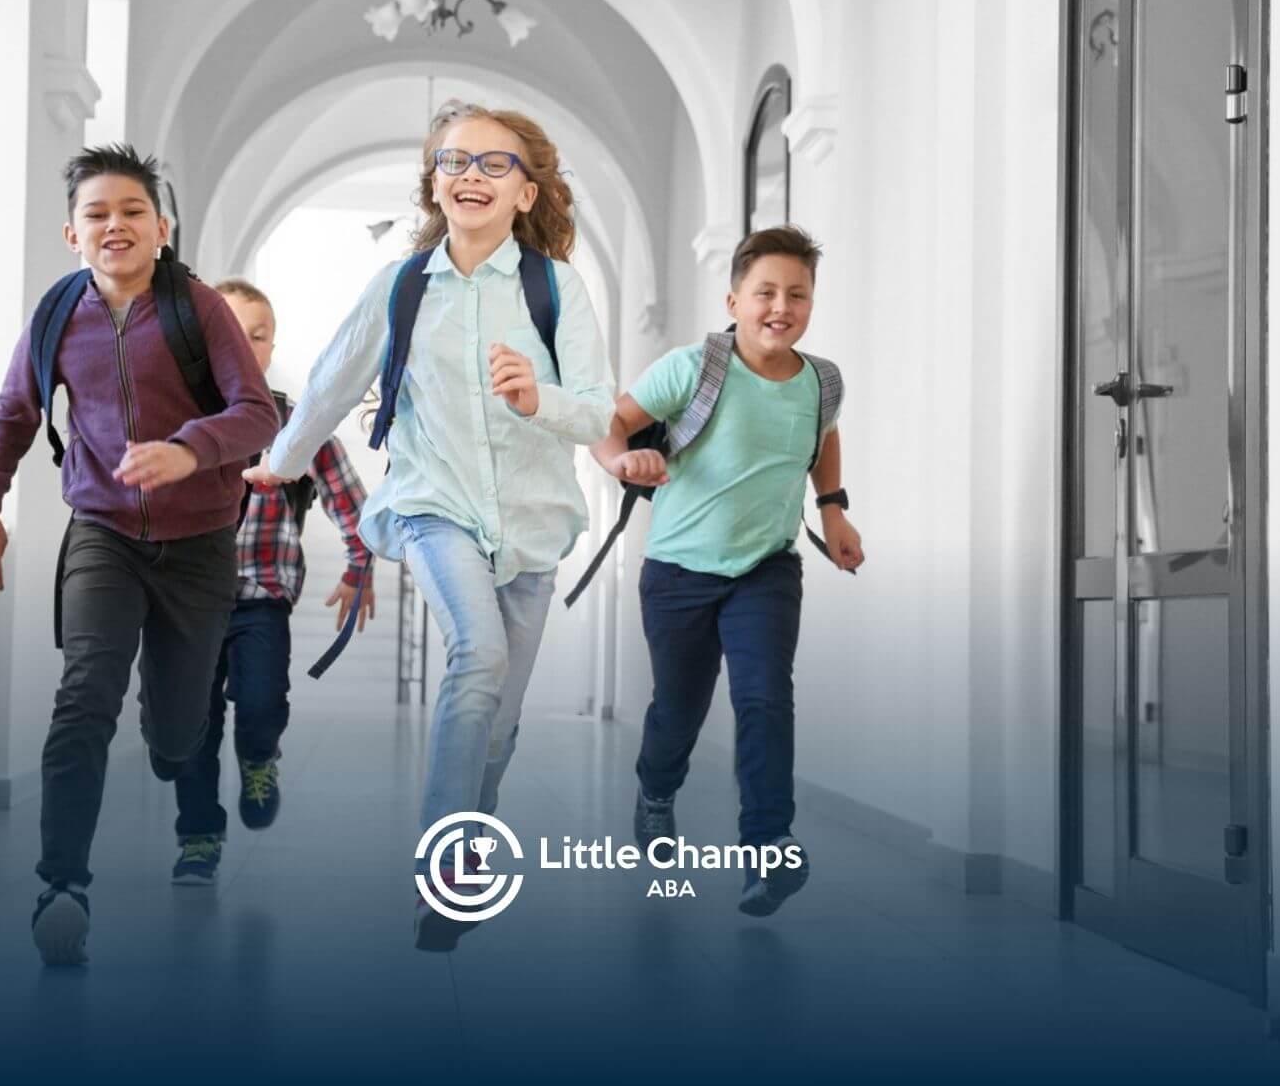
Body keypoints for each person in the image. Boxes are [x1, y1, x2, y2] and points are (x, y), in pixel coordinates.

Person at [246, 101, 613, 951]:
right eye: (454, 160)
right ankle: (446, 872)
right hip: (431, 504)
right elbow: (337, 377)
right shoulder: (402, 284)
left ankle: (472, 836)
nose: (471, 175)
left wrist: (538, 395)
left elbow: (595, 413)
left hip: (531, 522)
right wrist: (283, 458)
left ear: (527, 193)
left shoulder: (556, 289)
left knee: (502, 719)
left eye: (495, 164)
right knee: (476, 655)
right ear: (434, 182)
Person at [0, 144, 280, 965]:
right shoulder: (56, 315)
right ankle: (61, 885)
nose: (115, 226)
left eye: (132, 211)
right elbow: (12, 415)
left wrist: (188, 449)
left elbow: (257, 415)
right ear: (72, 232)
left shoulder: (198, 308)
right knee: (82, 698)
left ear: (161, 227)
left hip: (199, 543)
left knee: (176, 734)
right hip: (103, 532)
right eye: (97, 214)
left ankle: (174, 736)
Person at [589, 225, 865, 916]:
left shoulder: (821, 381)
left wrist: (833, 514)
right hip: (679, 572)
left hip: (766, 569)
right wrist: (625, 462)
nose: (782, 306)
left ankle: (768, 848)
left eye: (797, 294)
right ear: (734, 298)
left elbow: (821, 439)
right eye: (765, 292)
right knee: (678, 713)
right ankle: (656, 793)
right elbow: (606, 425)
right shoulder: (695, 367)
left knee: (765, 699)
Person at [169, 278, 376, 884]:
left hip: (261, 595)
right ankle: (199, 837)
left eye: (256, 335)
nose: (242, 343)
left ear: (270, 347)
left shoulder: (296, 425)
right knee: (192, 730)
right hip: (186, 605)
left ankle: (260, 757)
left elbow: (351, 504)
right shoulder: (176, 423)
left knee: (259, 705)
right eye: (227, 331)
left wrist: (359, 565)